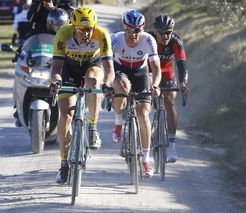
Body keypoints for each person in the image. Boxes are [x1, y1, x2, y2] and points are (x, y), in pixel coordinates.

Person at [50, 7, 115, 184]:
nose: (86, 34)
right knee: (66, 116)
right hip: (69, 69)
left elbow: (109, 70)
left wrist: (108, 84)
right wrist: (56, 82)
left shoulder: (101, 34)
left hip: (92, 66)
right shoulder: (63, 34)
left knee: (93, 81)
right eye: (81, 30)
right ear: (73, 27)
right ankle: (64, 165)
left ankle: (93, 127)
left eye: (89, 29)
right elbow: (56, 69)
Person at [111, 10, 162, 178]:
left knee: (143, 114)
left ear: (143, 29)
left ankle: (146, 161)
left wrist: (155, 85)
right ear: (124, 28)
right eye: (129, 30)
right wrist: (108, 83)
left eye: (137, 31)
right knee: (123, 87)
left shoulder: (149, 40)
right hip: (121, 70)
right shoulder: (116, 39)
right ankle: (118, 123)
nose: (133, 35)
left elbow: (156, 69)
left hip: (141, 72)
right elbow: (107, 64)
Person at [13, 8, 69, 127]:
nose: (58, 27)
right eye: (55, 24)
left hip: (61, 65)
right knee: (18, 72)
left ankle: (77, 113)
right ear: (49, 23)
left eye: (61, 25)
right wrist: (20, 54)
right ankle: (18, 108)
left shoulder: (69, 34)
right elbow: (28, 42)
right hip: (42, 63)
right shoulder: (38, 29)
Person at [149, 14, 189, 163]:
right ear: (154, 31)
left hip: (167, 73)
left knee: (170, 102)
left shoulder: (176, 41)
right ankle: (146, 129)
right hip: (149, 72)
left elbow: (181, 63)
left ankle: (171, 145)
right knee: (144, 101)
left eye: (169, 32)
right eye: (162, 32)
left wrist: (183, 83)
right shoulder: (147, 38)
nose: (166, 36)